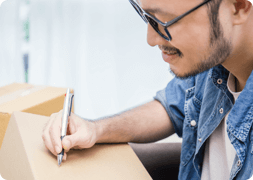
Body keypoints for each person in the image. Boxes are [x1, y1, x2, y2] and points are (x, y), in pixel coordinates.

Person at [42, 0, 253, 179]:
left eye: (164, 21)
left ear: (238, 7)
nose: (151, 39)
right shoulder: (212, 66)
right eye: (147, 17)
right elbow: (172, 107)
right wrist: (95, 129)